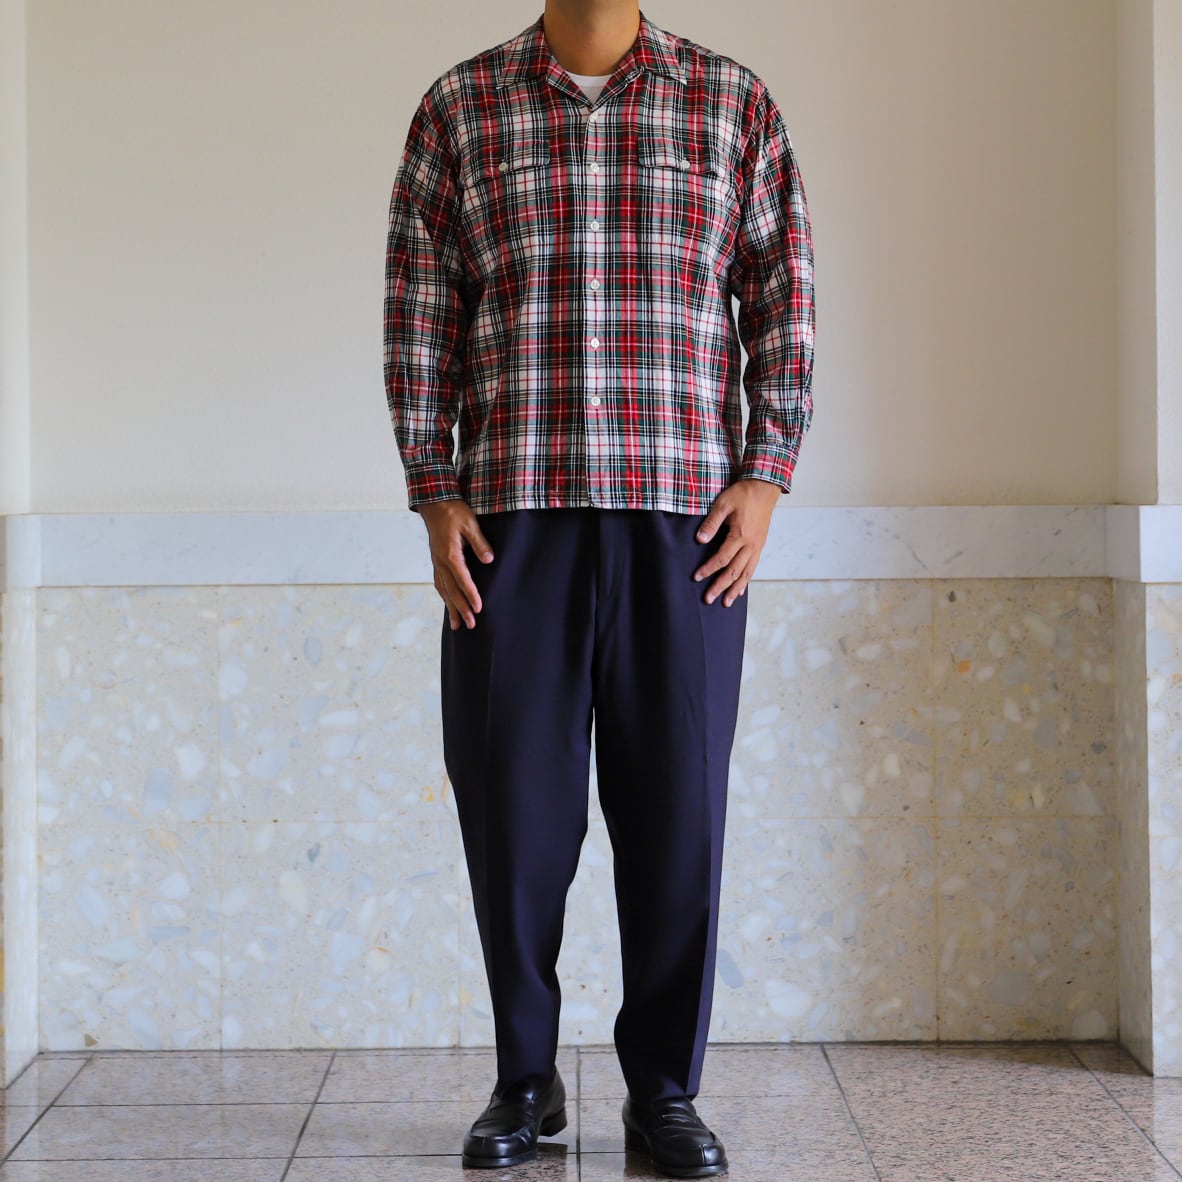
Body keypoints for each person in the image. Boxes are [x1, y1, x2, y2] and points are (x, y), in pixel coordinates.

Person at [383, 1, 814, 1174]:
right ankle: (525, 1080)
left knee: (678, 816)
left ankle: (664, 1091)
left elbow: (781, 294)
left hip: (685, 527)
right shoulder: (460, 109)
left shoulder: (732, 105)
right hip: (510, 521)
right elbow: (422, 307)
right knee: (514, 821)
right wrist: (434, 488)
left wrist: (766, 473)